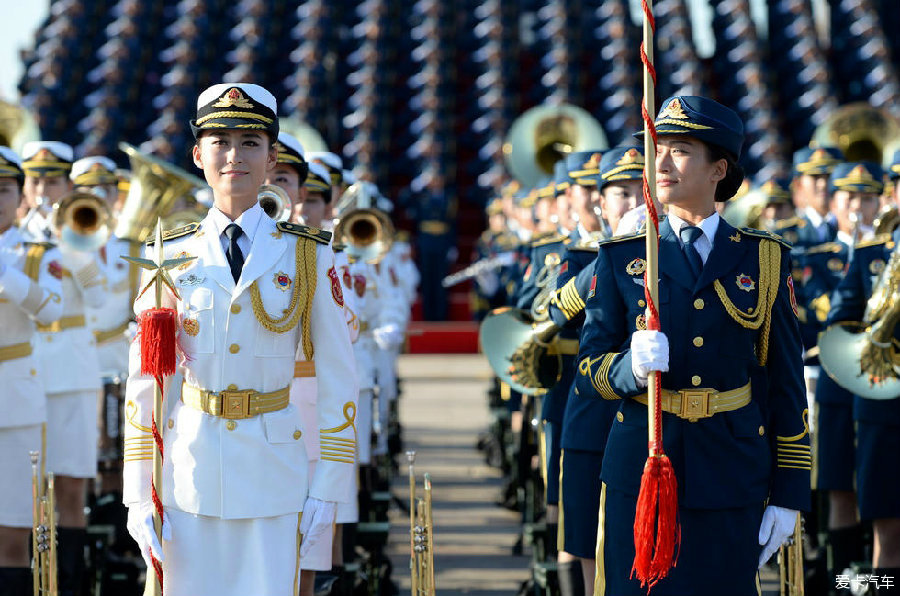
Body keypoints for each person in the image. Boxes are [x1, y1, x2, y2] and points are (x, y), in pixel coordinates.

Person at [122, 83, 359, 596]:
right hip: (188, 472)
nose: (235, 156)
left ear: (272, 156)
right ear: (198, 154)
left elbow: (341, 375)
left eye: (251, 142)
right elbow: (146, 379)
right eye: (221, 141)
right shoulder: (167, 254)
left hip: (274, 473)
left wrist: (331, 485)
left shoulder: (308, 255)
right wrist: (137, 493)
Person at [577, 96, 810, 595]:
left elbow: (786, 386)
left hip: (730, 474)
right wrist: (628, 369)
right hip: (643, 473)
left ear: (717, 169)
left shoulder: (762, 259)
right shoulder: (623, 258)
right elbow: (587, 372)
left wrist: (790, 494)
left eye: (679, 151)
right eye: (655, 149)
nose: (660, 164)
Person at [554, 145, 644, 596]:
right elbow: (553, 310)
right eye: (620, 194)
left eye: (638, 192)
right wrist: (612, 253)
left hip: (649, 417)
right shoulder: (575, 258)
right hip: (593, 412)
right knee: (589, 542)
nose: (632, 204)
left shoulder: (668, 251)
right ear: (601, 204)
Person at [21, 141, 108, 596]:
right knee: (24, 491)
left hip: (72, 373)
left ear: (67, 185)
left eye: (51, 179)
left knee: (70, 489)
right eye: (34, 180)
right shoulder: (12, 235)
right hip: (25, 372)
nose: (42, 189)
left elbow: (97, 299)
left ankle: (69, 586)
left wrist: (73, 248)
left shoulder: (81, 233)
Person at [820, 161, 899, 586]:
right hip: (884, 405)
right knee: (888, 527)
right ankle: (846, 584)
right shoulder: (871, 256)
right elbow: (838, 323)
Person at [0, 146, 64, 596]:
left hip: (14, 400)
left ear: (20, 196)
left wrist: (8, 272)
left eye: (3, 190)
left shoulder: (37, 252)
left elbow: (52, 310)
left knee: (12, 532)